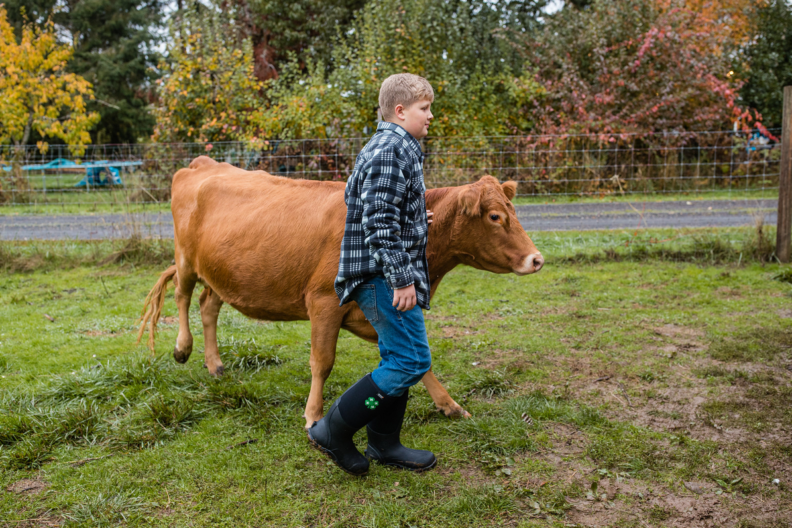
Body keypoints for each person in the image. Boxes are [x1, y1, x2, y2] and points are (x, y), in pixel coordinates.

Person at [307, 73, 437, 476]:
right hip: (382, 276)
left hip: (383, 270)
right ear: (400, 111)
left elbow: (364, 200)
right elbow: (378, 219)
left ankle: (384, 443)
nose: (431, 116)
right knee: (411, 360)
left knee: (396, 356)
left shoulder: (394, 145)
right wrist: (401, 279)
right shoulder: (390, 149)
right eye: (424, 109)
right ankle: (333, 430)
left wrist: (415, 217)